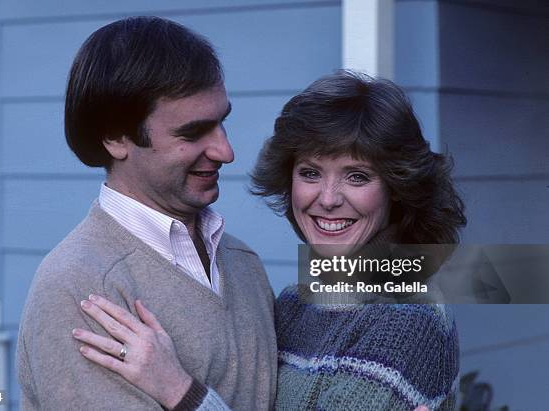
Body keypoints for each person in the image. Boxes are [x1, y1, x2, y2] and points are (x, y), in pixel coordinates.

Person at [72, 70, 465, 410]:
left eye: (357, 176)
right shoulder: (294, 306)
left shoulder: (410, 317)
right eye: (310, 173)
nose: (327, 199)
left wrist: (176, 388)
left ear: (396, 188)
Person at [16, 17, 277, 410]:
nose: (226, 152)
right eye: (193, 133)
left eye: (222, 122)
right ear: (116, 137)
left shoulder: (244, 265)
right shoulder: (80, 288)